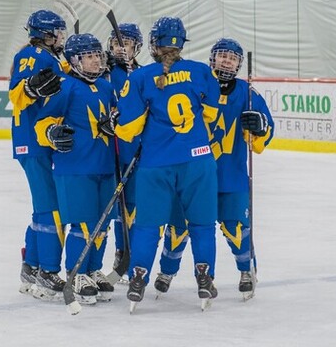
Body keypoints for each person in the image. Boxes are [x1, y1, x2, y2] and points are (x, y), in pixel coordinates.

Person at [98, 16, 221, 312]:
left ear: (153, 45)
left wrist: (118, 117)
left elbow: (128, 130)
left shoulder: (140, 77)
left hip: (157, 165)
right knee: (202, 225)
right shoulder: (201, 71)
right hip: (199, 161)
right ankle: (205, 278)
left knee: (148, 226)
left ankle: (138, 279)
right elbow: (211, 114)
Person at [153, 38, 274, 300]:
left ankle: (246, 270)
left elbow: (266, 131)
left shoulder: (248, 94)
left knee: (237, 228)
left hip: (231, 176)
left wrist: (260, 126)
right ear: (212, 58)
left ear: (239, 64)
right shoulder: (196, 83)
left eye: (233, 58)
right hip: (192, 175)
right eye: (222, 56)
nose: (227, 61)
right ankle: (167, 271)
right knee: (178, 227)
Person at [34, 33, 117, 304]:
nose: (95, 61)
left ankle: (93, 269)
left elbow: (116, 116)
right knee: (83, 224)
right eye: (88, 57)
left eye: (97, 56)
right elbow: (42, 123)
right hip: (75, 168)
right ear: (73, 61)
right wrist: (51, 133)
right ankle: (76, 272)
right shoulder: (64, 86)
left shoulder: (105, 87)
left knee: (102, 225)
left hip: (105, 165)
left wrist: (113, 122)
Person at [8, 9, 69, 300]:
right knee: (51, 207)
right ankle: (47, 271)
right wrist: (30, 89)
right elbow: (16, 94)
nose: (62, 37)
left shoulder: (49, 58)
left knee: (45, 205)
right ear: (46, 34)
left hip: (38, 142)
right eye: (58, 33)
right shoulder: (32, 55)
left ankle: (31, 266)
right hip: (34, 141)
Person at [104, 23, 143, 277]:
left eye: (125, 43)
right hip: (108, 149)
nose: (120, 48)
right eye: (116, 43)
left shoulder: (143, 74)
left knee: (131, 206)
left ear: (136, 48)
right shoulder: (103, 71)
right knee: (110, 206)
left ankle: (126, 253)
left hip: (134, 149)